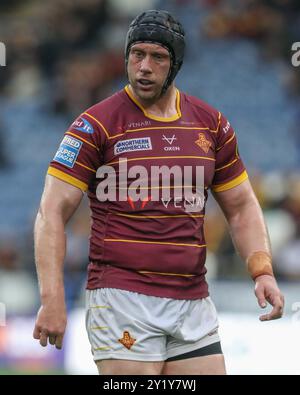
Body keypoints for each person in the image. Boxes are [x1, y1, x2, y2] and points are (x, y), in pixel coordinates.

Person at [33, 9, 284, 375]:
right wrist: (52, 298)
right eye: (137, 54)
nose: (144, 67)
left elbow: (242, 205)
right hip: (122, 299)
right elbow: (51, 213)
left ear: (176, 63)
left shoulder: (211, 125)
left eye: (158, 57)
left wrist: (262, 270)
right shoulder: (93, 125)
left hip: (193, 299)